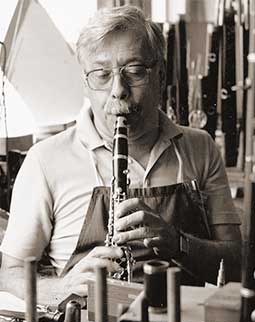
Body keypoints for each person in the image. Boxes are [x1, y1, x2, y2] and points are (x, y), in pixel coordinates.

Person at [0, 5, 241, 304]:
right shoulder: (44, 160)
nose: (118, 90)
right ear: (85, 83)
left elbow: (235, 263)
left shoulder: (200, 147)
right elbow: (9, 274)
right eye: (101, 75)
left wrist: (179, 244)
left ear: (161, 75)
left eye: (135, 71)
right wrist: (64, 286)